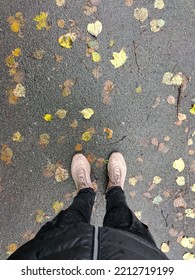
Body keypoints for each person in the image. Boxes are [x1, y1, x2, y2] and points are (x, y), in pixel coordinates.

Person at [8, 152, 168, 260]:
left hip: (54, 251)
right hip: (135, 254)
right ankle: (114, 188)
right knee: (122, 216)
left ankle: (86, 191)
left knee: (69, 220)